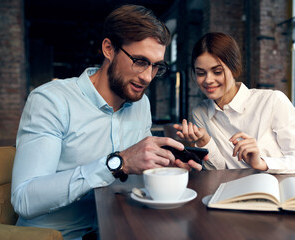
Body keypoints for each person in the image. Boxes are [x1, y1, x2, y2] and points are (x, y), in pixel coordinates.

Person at [11, 5, 205, 240]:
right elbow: (25, 199)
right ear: (109, 48)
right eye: (140, 61)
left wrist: (161, 171)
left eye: (156, 66)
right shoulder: (51, 100)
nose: (147, 76)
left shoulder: (141, 104)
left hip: (119, 229)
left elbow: (134, 175)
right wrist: (117, 162)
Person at [174, 32, 295, 178]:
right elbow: (220, 170)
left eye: (217, 72)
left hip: (275, 190)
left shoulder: (272, 101)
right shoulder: (201, 112)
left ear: (234, 68)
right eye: (200, 73)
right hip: (232, 191)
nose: (208, 80)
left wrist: (262, 162)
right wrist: (204, 141)